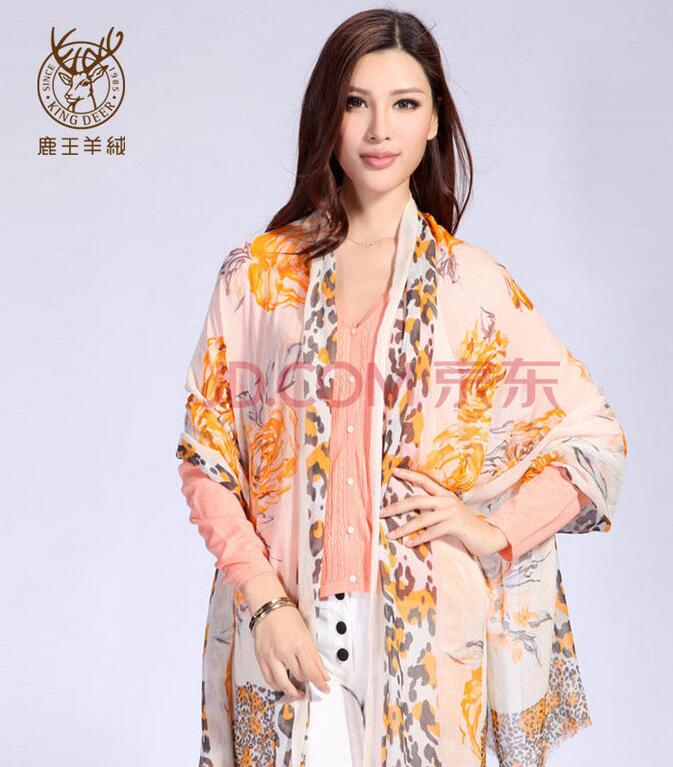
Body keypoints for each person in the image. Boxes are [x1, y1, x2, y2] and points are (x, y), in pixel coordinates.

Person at [176, 9, 626, 767]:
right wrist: (264, 600)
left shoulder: (472, 285)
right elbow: (206, 460)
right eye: (356, 102)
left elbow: (595, 438)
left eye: (404, 103)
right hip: (288, 637)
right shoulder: (257, 277)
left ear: (433, 120)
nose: (379, 129)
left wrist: (494, 530)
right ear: (328, 114)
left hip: (432, 641)